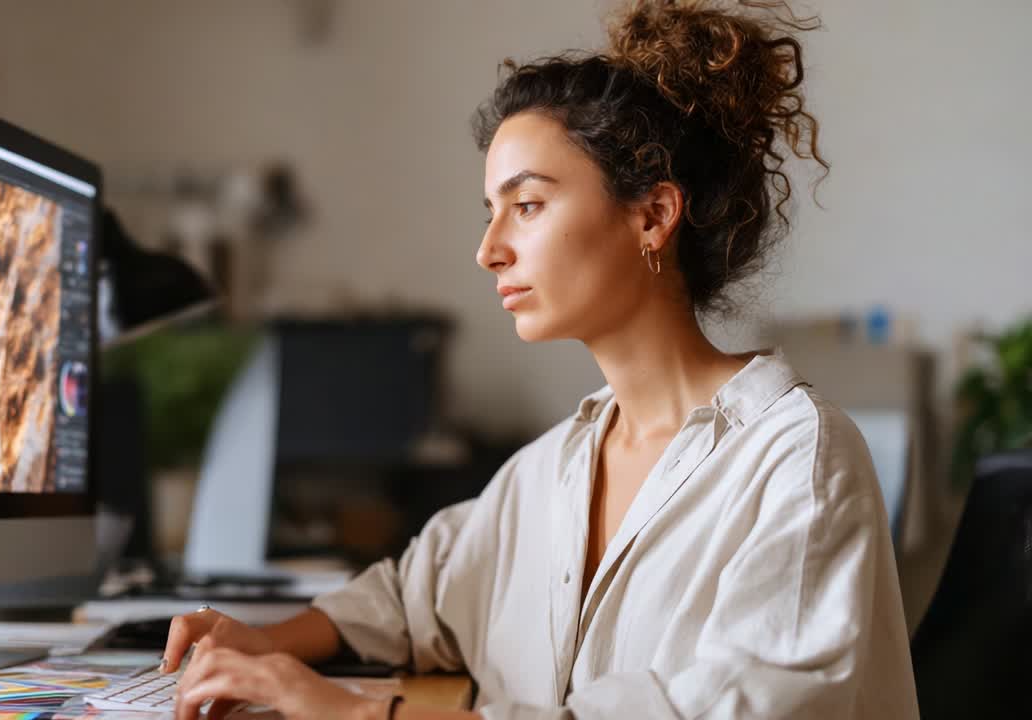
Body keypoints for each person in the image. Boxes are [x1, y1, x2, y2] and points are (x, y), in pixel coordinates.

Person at [161, 1, 919, 718]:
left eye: (526, 206)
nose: (489, 251)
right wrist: (264, 643)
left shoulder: (798, 461)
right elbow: (412, 594)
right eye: (491, 213)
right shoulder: (551, 468)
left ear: (652, 216)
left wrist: (360, 711)